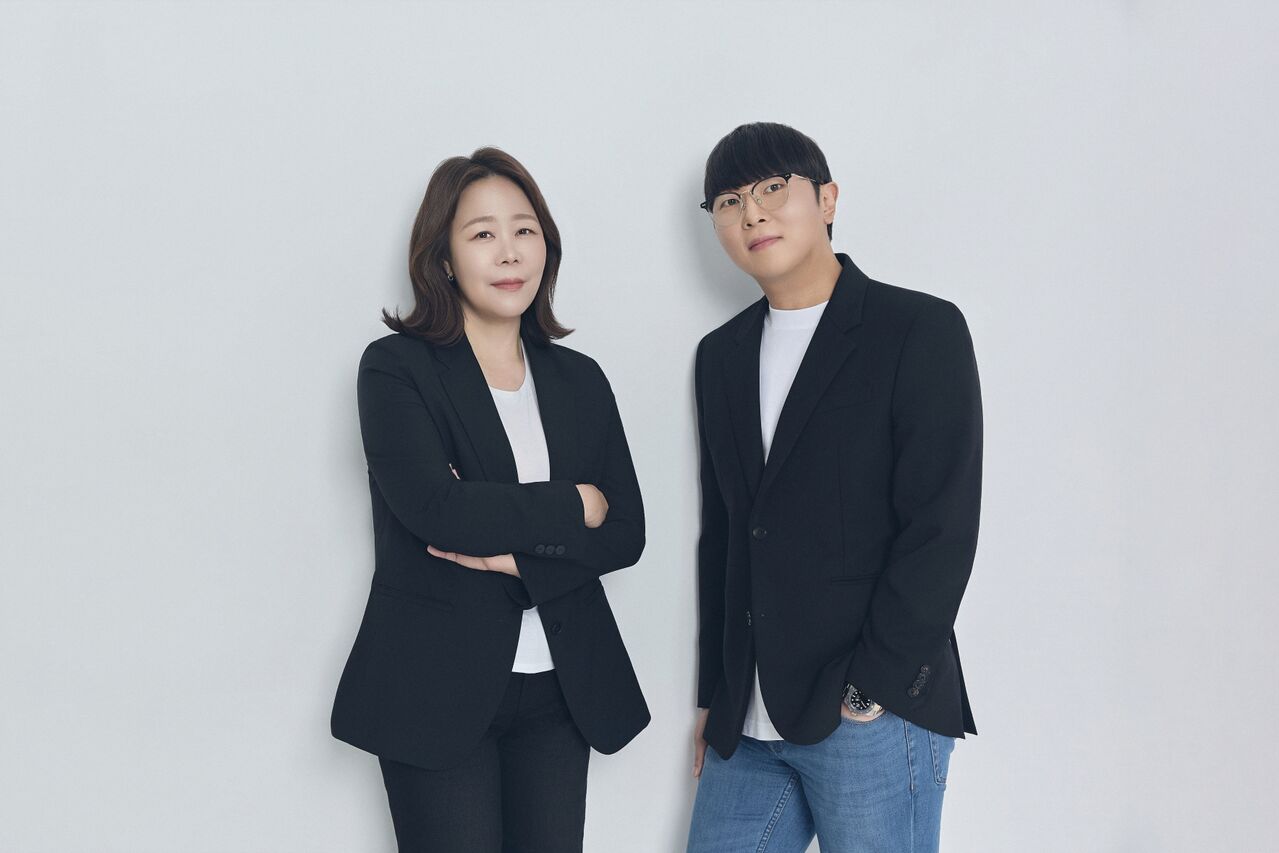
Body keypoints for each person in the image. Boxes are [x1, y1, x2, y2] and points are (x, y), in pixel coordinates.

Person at [331, 147, 649, 853]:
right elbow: (439, 513)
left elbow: (625, 533)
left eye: (524, 230)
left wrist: (515, 555)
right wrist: (575, 501)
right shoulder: (397, 368)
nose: (509, 252)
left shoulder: (580, 379)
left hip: (561, 689)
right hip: (435, 689)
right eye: (482, 233)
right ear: (443, 258)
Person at [685, 122, 983, 853]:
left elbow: (940, 525)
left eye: (771, 188)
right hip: (748, 721)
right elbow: (726, 533)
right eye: (729, 201)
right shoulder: (720, 356)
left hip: (870, 711)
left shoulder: (917, 329)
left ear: (827, 199)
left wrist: (870, 690)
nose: (751, 213)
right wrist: (716, 692)